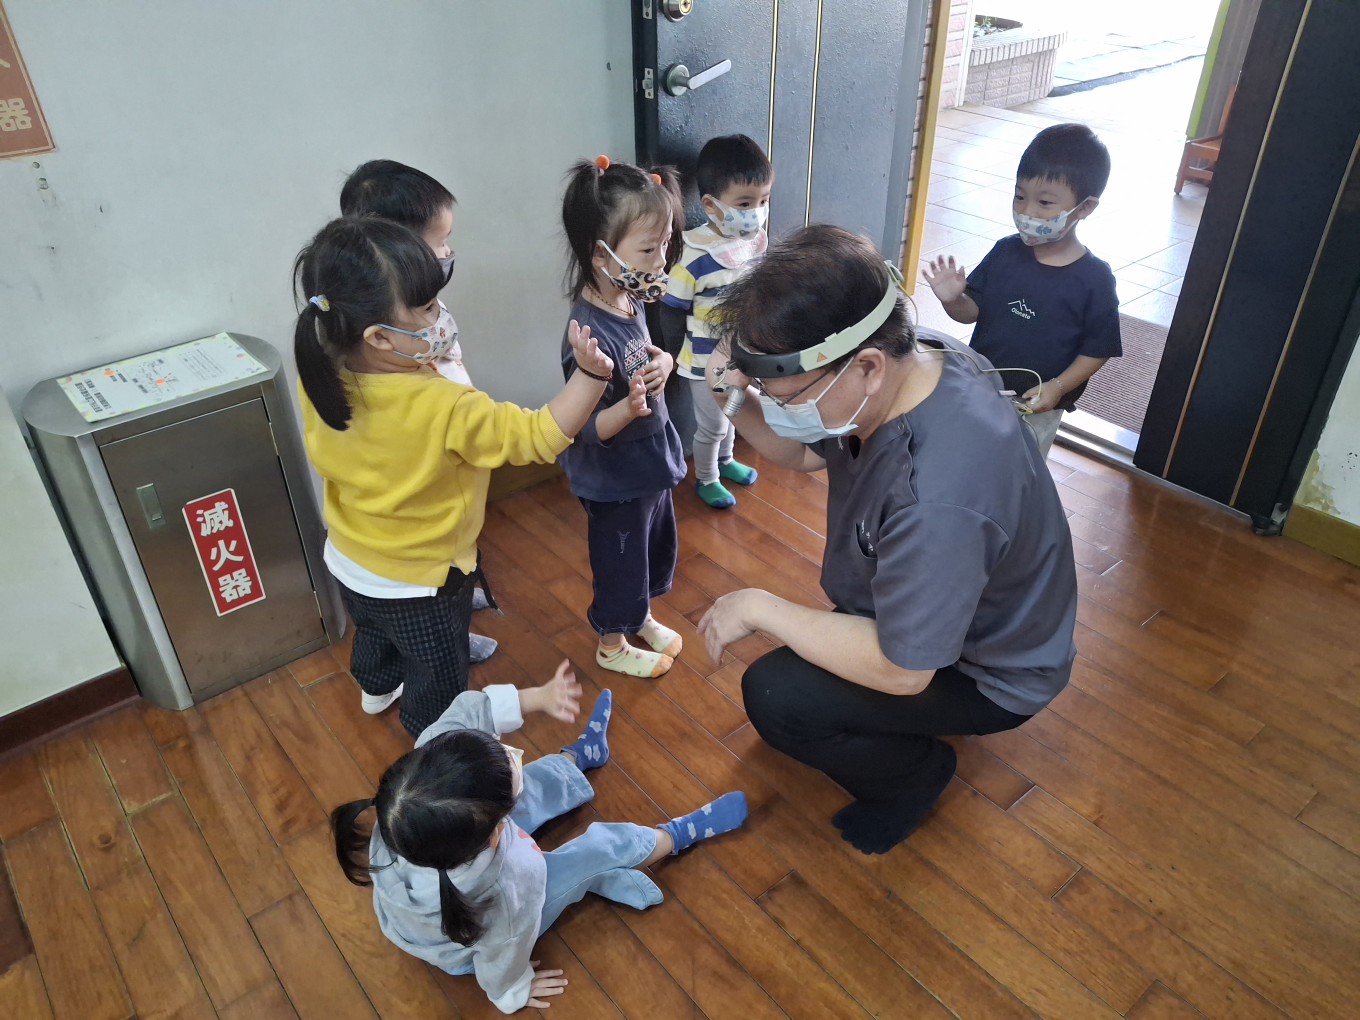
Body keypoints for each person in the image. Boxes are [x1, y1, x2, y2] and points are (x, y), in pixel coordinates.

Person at [697, 225, 1077, 854]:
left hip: (988, 671)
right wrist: (737, 403)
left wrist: (761, 607)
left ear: (868, 367)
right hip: (948, 607)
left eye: (785, 396)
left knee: (776, 697)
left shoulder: (939, 498)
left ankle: (914, 778)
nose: (777, 405)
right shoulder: (922, 357)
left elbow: (904, 672)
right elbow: (808, 452)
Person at [294, 215, 614, 736]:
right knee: (439, 673)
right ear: (379, 337)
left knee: (374, 634)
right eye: (426, 308)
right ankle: (434, 742)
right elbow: (538, 435)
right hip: (423, 581)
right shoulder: (445, 405)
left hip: (349, 556)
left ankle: (376, 689)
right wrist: (592, 376)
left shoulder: (322, 372)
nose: (440, 315)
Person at [332, 662, 749, 1014]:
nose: (513, 754)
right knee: (592, 856)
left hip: (431, 900)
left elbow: (470, 710)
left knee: (523, 785)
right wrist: (513, 991)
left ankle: (577, 760)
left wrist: (538, 697)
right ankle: (671, 837)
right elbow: (503, 952)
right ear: (496, 835)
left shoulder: (418, 783)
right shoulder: (507, 890)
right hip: (470, 943)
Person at [339, 159, 499, 665]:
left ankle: (457, 602)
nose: (448, 253)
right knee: (433, 606)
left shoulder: (403, 315)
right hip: (424, 515)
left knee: (456, 553)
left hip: (446, 479)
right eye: (440, 242)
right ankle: (449, 636)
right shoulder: (381, 355)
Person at [557, 155, 688, 679]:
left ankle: (640, 616)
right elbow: (584, 427)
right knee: (620, 562)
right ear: (601, 253)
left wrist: (666, 362)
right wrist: (627, 409)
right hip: (615, 480)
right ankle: (612, 642)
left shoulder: (628, 299)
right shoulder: (587, 335)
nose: (661, 260)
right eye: (649, 249)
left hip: (647, 464)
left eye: (665, 245)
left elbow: (646, 355)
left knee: (650, 547)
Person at [923, 122, 1122, 458]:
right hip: (981, 388)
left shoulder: (1094, 279)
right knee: (968, 459)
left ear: (1085, 208)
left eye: (1044, 202)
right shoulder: (1005, 252)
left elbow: (1098, 349)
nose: (1026, 211)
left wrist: (1058, 387)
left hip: (1037, 405)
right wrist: (953, 299)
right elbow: (972, 312)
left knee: (1021, 471)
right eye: (1019, 196)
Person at [659, 134, 771, 509]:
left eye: (763, 201)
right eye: (744, 204)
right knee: (713, 424)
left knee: (735, 412)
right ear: (710, 205)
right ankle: (707, 478)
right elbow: (671, 308)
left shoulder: (755, 243)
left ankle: (726, 460)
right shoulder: (694, 255)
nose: (756, 212)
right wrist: (675, 353)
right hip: (703, 362)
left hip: (741, 356)